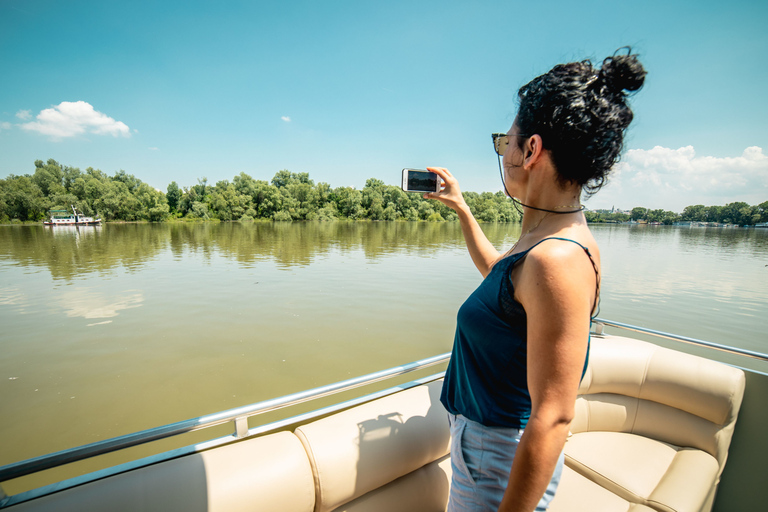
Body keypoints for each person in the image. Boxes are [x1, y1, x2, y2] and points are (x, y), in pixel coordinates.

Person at [424, 49, 646, 512]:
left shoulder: (556, 259)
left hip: (497, 456)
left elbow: (553, 416)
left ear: (531, 150)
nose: (502, 151)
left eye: (504, 141)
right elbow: (501, 284)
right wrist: (463, 210)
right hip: (486, 446)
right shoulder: (547, 241)